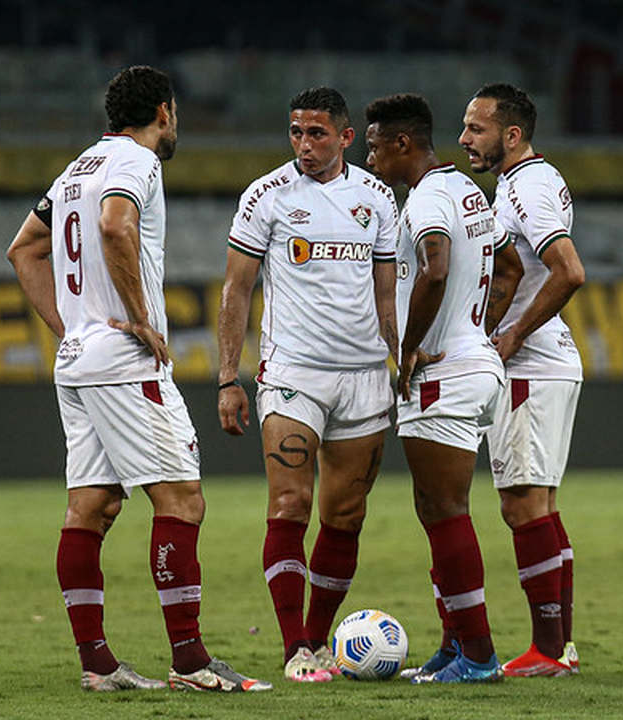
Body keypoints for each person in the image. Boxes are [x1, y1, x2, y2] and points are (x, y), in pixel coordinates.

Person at [6, 65, 271, 693]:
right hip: (123, 363)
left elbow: (23, 249)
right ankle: (191, 662)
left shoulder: (77, 169)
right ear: (164, 111)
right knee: (182, 501)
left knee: (90, 508)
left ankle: (98, 667)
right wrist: (139, 319)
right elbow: (115, 224)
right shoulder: (136, 161)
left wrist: (71, 326)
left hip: (77, 362)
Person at [216, 86, 399, 683]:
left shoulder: (376, 197)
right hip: (294, 374)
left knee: (345, 515)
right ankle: (295, 646)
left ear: (346, 137)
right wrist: (228, 377)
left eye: (317, 133)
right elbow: (236, 289)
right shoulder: (266, 195)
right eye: (296, 132)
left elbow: (386, 292)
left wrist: (401, 360)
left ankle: (320, 641)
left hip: (366, 377)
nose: (304, 145)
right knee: (290, 503)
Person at [362, 93, 524, 684]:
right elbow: (509, 269)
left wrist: (410, 348)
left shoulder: (428, 199)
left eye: (376, 144)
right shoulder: (465, 190)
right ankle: (455, 646)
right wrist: (474, 329)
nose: (370, 155)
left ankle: (478, 656)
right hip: (473, 364)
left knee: (446, 511)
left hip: (443, 375)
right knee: (437, 509)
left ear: (403, 143)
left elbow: (434, 268)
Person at [459, 83, 586, 677]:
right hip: (545, 364)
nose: (464, 139)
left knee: (522, 505)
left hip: (531, 366)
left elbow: (569, 271)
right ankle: (560, 645)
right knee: (540, 505)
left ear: (512, 135)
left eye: (476, 129)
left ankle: (546, 650)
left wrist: (512, 336)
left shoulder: (529, 188)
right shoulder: (523, 183)